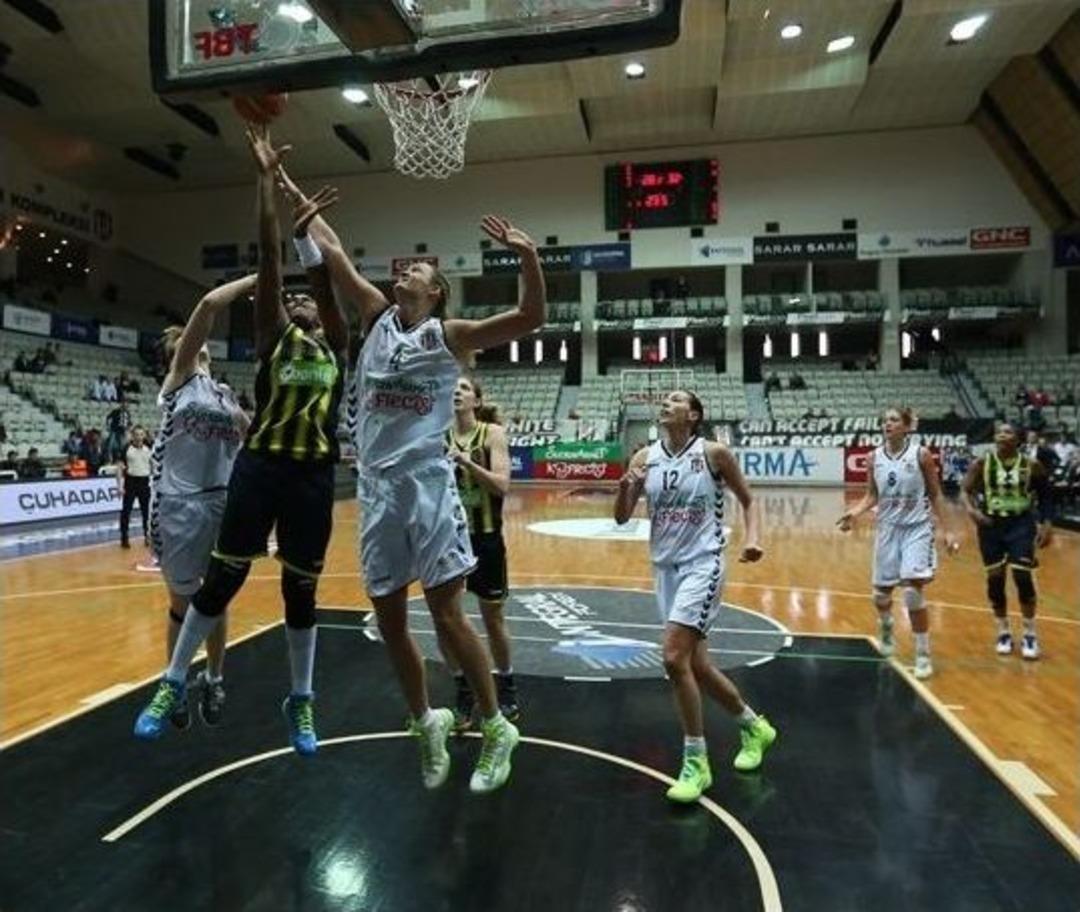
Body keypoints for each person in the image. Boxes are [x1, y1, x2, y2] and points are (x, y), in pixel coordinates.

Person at [278, 164, 541, 793]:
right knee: (391, 620)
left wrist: (528, 257)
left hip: (426, 485)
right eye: (403, 268)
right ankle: (426, 719)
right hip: (376, 491)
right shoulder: (374, 315)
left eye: (418, 269)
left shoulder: (447, 336)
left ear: (437, 290)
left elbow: (528, 317)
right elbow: (334, 253)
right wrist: (292, 190)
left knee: (448, 616)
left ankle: (498, 725)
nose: (405, 272)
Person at [134, 125, 348, 755]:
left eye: (309, 300)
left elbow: (327, 287)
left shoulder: (337, 343)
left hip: (310, 474)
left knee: (299, 590)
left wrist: (311, 240)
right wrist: (264, 185)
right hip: (256, 471)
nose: (304, 303)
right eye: (295, 299)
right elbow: (268, 262)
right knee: (219, 585)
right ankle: (175, 681)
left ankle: (301, 699)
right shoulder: (273, 338)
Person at [613, 390, 776, 803]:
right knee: (697, 666)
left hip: (703, 563)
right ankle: (754, 726)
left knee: (672, 658)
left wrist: (753, 539)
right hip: (664, 568)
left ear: (694, 414)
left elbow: (748, 499)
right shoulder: (643, 458)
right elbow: (621, 516)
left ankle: (695, 761)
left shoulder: (713, 453)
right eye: (663, 400)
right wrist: (624, 488)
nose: (665, 403)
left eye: (674, 400)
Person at [147, 275, 254, 730]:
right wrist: (261, 275)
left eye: (203, 351)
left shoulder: (227, 396)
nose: (201, 354)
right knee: (181, 603)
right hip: (179, 504)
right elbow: (210, 304)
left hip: (222, 503)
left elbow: (254, 440)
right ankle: (173, 685)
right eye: (191, 350)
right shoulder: (176, 386)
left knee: (217, 600)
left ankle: (213, 677)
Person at [837, 407, 959, 679]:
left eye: (893, 420)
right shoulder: (873, 457)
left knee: (913, 593)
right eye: (884, 421)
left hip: (917, 529)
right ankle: (887, 624)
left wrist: (948, 531)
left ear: (906, 426)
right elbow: (871, 495)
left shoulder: (921, 455)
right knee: (880, 595)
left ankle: (923, 654)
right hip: (888, 529)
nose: (887, 424)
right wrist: (853, 513)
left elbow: (937, 496)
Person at [438, 375, 517, 730]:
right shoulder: (437, 434)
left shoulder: (492, 434)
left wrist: (466, 463)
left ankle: (506, 683)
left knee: (492, 618)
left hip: (485, 538)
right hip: (448, 538)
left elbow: (502, 486)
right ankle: (462, 689)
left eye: (464, 388)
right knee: (445, 620)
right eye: (452, 388)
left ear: (477, 400)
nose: (457, 391)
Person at [961, 421, 1054, 660]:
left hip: (1021, 524)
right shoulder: (982, 463)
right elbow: (965, 490)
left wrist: (1047, 523)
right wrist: (972, 511)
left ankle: (1030, 634)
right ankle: (1003, 630)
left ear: (1018, 438)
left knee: (1022, 576)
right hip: (991, 526)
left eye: (1008, 432)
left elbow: (1046, 496)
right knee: (995, 580)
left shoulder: (1032, 465)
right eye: (999, 432)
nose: (1002, 435)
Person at [117, 426, 152, 549]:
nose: (139, 437)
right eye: (136, 434)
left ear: (144, 436)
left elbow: (153, 466)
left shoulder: (149, 449)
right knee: (126, 511)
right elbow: (120, 468)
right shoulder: (126, 449)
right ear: (133, 436)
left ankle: (147, 536)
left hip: (144, 481)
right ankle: (124, 537)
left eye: (141, 434)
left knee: (146, 512)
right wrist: (119, 486)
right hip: (131, 481)